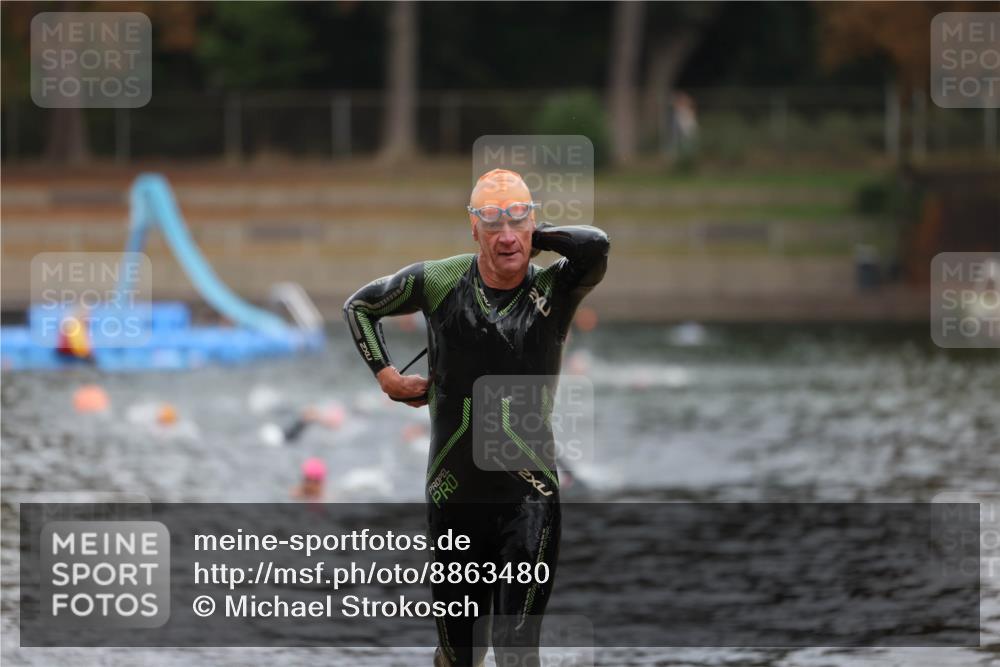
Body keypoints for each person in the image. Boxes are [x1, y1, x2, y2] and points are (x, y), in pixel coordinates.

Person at [344, 168, 609, 666]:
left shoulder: (553, 289)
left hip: (529, 500)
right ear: (473, 230)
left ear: (534, 225)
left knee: (515, 650)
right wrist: (386, 376)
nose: (506, 237)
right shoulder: (439, 280)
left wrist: (528, 233)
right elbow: (359, 307)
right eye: (492, 226)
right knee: (460, 654)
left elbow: (595, 246)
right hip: (453, 498)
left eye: (518, 223)